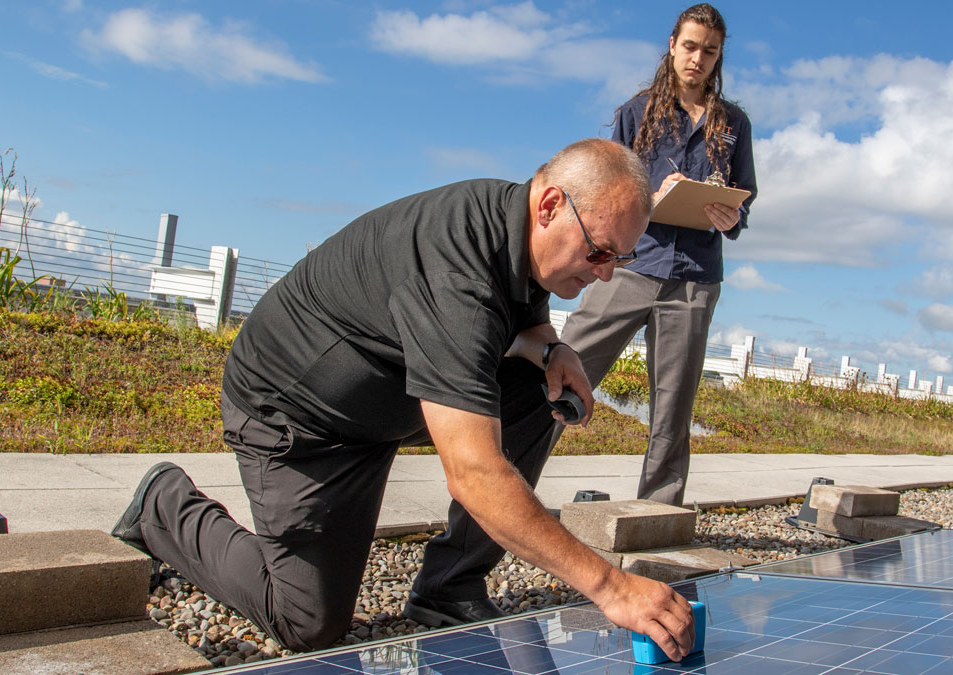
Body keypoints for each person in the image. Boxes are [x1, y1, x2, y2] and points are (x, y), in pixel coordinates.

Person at [110, 138, 695, 660]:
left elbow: (522, 307)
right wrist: (611, 587)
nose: (607, 276)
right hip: (297, 421)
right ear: (549, 208)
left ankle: (450, 588)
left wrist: (549, 349)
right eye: (599, 253)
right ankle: (163, 506)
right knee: (307, 621)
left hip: (380, 402)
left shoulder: (513, 224)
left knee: (542, 391)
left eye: (620, 259)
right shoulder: (456, 273)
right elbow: (475, 474)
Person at [554, 4, 757, 506]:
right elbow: (601, 192)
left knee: (673, 409)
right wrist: (650, 193)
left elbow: (744, 194)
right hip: (627, 266)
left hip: (694, 278)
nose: (698, 58)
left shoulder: (734, 123)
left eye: (710, 51)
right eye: (690, 46)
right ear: (672, 45)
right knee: (563, 373)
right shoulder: (635, 111)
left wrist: (732, 216)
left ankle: (658, 512)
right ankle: (507, 481)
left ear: (719, 56)